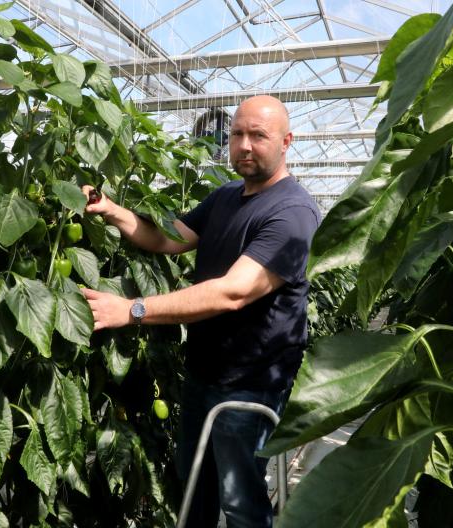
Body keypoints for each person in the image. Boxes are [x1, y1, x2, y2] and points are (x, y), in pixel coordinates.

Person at [81, 95, 321, 527]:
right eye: (238, 134)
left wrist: (133, 309)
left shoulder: (293, 213)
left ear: (286, 142)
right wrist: (113, 210)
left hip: (251, 385)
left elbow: (233, 292)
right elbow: (168, 239)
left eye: (258, 136)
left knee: (241, 503)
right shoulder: (226, 196)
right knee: (193, 492)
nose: (245, 145)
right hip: (203, 374)